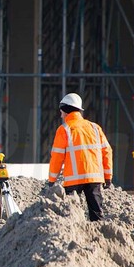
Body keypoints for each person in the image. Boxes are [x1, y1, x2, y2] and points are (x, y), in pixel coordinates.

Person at [47, 93, 113, 221]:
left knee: (72, 215)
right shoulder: (95, 128)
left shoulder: (64, 129)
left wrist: (52, 179)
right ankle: (98, 238)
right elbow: (107, 151)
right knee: (97, 215)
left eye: (61, 112)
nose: (61, 115)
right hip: (94, 178)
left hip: (73, 181)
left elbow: (57, 157)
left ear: (66, 111)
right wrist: (108, 176)